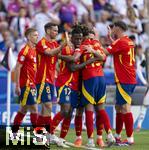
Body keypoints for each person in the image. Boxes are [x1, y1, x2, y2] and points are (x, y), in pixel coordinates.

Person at [50, 24, 98, 147]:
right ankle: (48, 132)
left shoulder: (79, 49)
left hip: (75, 85)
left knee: (70, 112)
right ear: (71, 38)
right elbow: (72, 66)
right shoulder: (67, 48)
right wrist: (88, 62)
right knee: (65, 109)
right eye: (76, 38)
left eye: (80, 38)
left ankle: (60, 138)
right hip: (64, 82)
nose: (78, 41)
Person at [105, 21, 137, 145]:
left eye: (113, 28)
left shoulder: (121, 42)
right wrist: (110, 37)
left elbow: (106, 52)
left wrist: (93, 47)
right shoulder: (128, 40)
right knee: (118, 107)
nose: (112, 29)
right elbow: (117, 46)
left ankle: (130, 139)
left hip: (125, 79)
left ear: (118, 28)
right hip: (128, 78)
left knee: (124, 107)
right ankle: (118, 136)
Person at [35, 22, 65, 143]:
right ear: (47, 31)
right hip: (42, 78)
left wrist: (59, 73)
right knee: (48, 105)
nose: (56, 33)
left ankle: (39, 134)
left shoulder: (54, 43)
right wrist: (62, 46)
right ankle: (47, 134)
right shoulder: (42, 42)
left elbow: (55, 59)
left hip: (51, 78)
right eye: (54, 31)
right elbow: (50, 53)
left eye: (57, 31)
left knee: (45, 108)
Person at [12, 28, 39, 135]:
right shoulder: (24, 51)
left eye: (37, 35)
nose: (37, 37)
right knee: (34, 109)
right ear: (28, 37)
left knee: (23, 110)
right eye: (35, 35)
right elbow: (18, 67)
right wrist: (17, 85)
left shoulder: (35, 50)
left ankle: (14, 132)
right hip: (27, 85)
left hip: (33, 84)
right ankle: (39, 135)